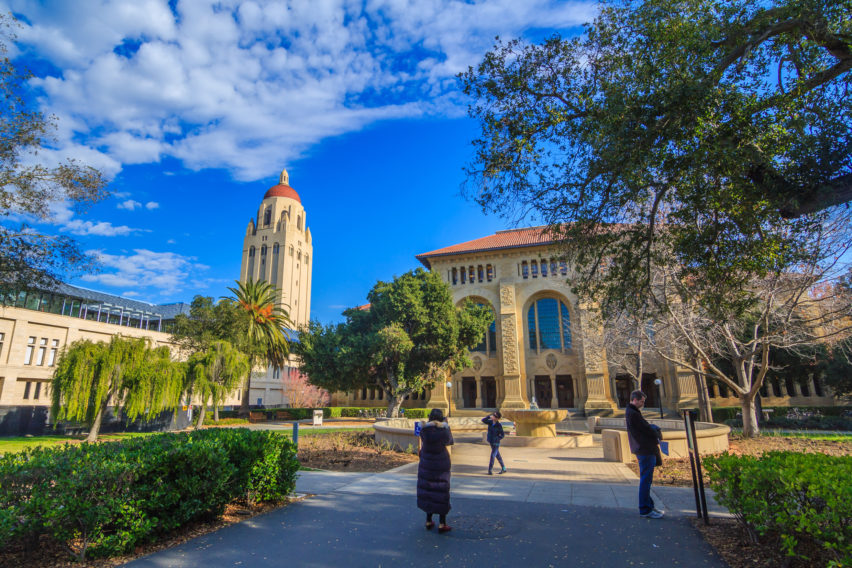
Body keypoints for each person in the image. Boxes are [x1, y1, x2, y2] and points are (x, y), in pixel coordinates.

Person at [625, 390, 665, 519]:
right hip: (645, 450)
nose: (643, 404)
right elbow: (646, 430)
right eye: (642, 401)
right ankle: (645, 509)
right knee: (645, 481)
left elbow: (645, 428)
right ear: (635, 400)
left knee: (646, 480)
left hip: (644, 450)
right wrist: (655, 432)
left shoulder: (632, 412)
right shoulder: (633, 414)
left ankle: (649, 506)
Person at [417, 408, 454, 533]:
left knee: (428, 491)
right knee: (441, 492)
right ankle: (442, 524)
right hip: (440, 464)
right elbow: (449, 441)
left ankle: (428, 521)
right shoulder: (444, 430)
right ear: (441, 417)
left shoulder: (424, 430)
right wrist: (447, 425)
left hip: (426, 463)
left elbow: (421, 441)